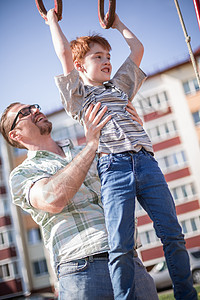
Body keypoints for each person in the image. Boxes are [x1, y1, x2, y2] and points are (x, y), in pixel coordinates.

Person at [46, 8, 197, 300]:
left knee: (173, 234)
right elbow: (64, 53)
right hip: (113, 168)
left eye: (108, 56)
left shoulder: (120, 87)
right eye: (98, 56)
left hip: (145, 161)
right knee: (121, 245)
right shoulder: (78, 97)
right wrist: (52, 20)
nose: (106, 61)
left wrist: (116, 23)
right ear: (80, 65)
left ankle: (186, 296)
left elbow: (137, 49)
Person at [0, 102, 159, 300]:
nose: (35, 110)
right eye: (24, 112)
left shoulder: (90, 151)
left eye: (34, 106)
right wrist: (92, 144)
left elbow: (134, 180)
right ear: (15, 134)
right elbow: (52, 199)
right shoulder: (22, 173)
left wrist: (134, 132)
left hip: (130, 260)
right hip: (82, 270)